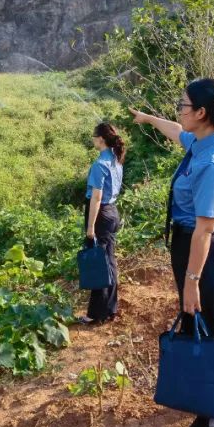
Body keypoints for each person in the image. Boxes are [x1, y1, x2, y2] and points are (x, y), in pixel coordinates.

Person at [130, 78, 214, 427]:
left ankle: (212, 421)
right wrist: (148, 119)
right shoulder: (199, 143)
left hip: (206, 253)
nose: (177, 111)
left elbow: (205, 229)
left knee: (207, 328)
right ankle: (205, 403)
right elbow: (174, 133)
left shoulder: (213, 162)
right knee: (199, 323)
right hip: (189, 247)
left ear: (200, 113)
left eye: (182, 106)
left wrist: (192, 280)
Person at [78, 121, 126, 325]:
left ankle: (97, 313)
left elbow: (96, 198)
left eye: (94, 136)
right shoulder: (115, 160)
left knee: (100, 263)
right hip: (111, 211)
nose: (92, 140)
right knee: (108, 260)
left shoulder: (100, 164)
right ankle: (110, 308)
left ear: (101, 139)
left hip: (101, 213)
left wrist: (90, 228)